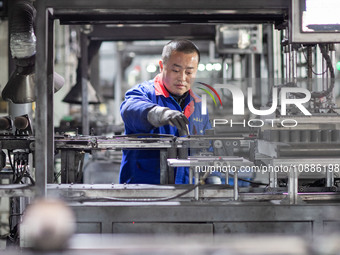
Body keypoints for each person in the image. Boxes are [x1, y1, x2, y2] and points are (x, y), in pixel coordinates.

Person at [119, 39, 211, 184]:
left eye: (189, 72)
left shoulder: (199, 105)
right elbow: (129, 110)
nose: (182, 78)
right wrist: (159, 114)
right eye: (176, 70)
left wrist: (214, 179)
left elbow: (209, 147)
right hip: (143, 193)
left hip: (187, 194)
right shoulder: (143, 93)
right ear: (162, 66)